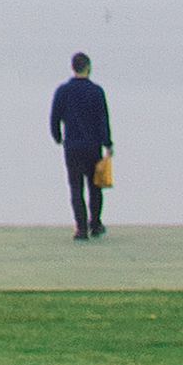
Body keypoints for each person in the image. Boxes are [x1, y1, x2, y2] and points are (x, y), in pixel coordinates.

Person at [48, 52, 112, 240]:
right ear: (88, 67)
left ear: (73, 67)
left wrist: (58, 137)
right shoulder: (96, 91)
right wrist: (108, 143)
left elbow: (55, 117)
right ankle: (95, 223)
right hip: (93, 147)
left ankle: (81, 228)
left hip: (72, 147)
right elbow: (103, 120)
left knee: (76, 188)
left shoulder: (63, 91)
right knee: (95, 187)